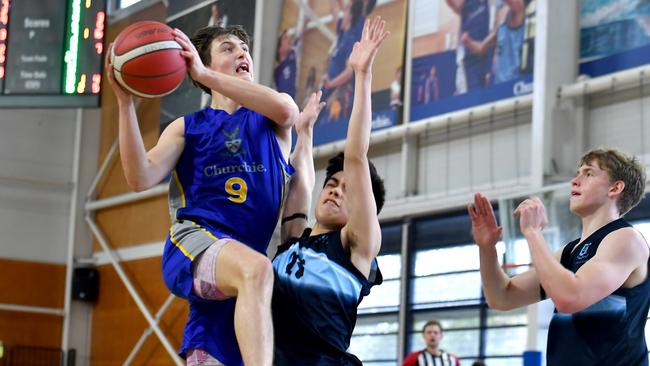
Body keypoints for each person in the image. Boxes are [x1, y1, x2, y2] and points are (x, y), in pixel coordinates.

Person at [105, 24, 299, 366]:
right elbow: (139, 178)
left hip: (232, 293)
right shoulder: (186, 127)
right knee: (257, 269)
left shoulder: (273, 117)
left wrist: (207, 75)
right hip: (193, 244)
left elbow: (287, 112)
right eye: (228, 48)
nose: (242, 53)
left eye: (244, 48)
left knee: (255, 274)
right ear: (202, 65)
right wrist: (125, 106)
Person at [272, 16, 389, 365]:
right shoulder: (293, 241)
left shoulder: (356, 246)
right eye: (333, 185)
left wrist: (362, 75)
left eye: (347, 191)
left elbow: (355, 155)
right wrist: (304, 134)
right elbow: (300, 185)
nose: (336, 192)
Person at [468, 148, 650, 365]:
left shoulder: (626, 239)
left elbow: (570, 298)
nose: (575, 180)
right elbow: (501, 297)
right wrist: (487, 248)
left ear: (615, 187)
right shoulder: (569, 252)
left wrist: (533, 233)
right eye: (577, 173)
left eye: (588, 173)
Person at [460, 0, 530, 84]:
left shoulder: (518, 12)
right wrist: (469, 43)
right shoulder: (502, 27)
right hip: (498, 84)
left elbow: (517, 3)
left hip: (511, 82)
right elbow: (480, 47)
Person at [445, 0, 492, 94]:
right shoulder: (466, 6)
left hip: (484, 53)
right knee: (471, 96)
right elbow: (455, 5)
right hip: (469, 59)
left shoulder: (485, 5)